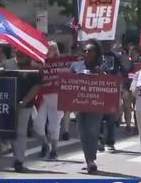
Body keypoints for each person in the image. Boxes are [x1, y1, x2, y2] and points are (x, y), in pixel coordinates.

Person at [70, 39, 106, 174]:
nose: (87, 53)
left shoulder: (101, 67)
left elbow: (109, 84)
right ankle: (89, 160)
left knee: (92, 130)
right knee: (82, 132)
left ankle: (91, 159)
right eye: (85, 50)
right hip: (79, 104)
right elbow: (67, 83)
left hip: (96, 104)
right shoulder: (75, 65)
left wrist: (100, 74)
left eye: (90, 51)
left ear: (96, 53)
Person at [10, 50, 43, 172]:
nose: (19, 54)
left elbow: (36, 86)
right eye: (17, 52)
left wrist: (24, 101)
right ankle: (16, 156)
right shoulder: (7, 64)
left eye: (22, 53)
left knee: (21, 132)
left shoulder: (35, 69)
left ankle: (19, 160)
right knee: (10, 133)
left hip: (25, 105)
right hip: (7, 105)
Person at [33, 41, 64, 159]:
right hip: (42, 95)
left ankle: (54, 150)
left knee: (54, 124)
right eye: (46, 48)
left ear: (55, 51)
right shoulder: (39, 62)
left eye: (50, 49)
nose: (48, 51)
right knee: (37, 123)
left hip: (56, 95)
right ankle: (45, 144)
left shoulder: (61, 64)